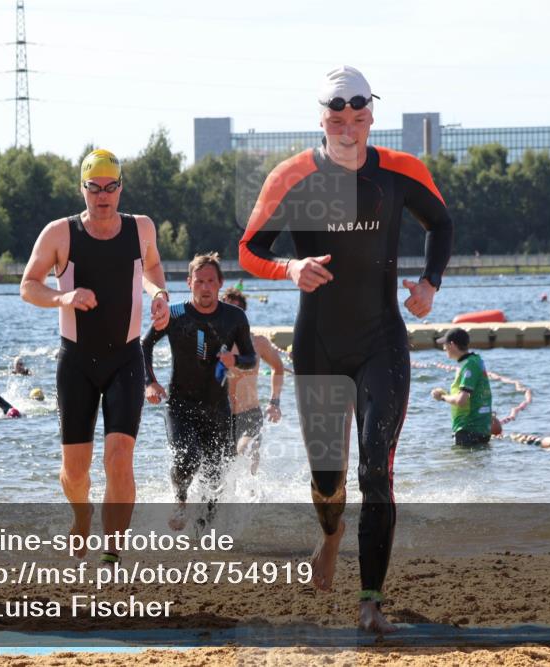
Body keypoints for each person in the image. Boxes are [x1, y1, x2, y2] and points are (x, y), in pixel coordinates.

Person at [238, 65, 453, 633]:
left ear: (371, 118)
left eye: (359, 118)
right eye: (339, 118)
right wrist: (290, 267)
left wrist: (430, 283)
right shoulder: (293, 177)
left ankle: (371, 600)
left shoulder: (400, 172)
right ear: (323, 120)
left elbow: (442, 223)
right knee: (329, 479)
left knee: (377, 469)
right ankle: (330, 535)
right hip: (320, 347)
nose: (350, 128)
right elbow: (249, 250)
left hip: (382, 341)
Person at [20, 148, 170, 561]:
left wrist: (159, 296)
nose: (102, 196)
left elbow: (154, 269)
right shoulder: (60, 233)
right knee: (76, 471)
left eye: (110, 187)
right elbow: (28, 285)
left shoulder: (141, 229)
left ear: (121, 188)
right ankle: (81, 515)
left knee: (119, 458)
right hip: (77, 363)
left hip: (125, 359)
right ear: (82, 188)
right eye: (94, 188)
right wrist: (63, 296)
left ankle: (112, 553)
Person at [142, 254, 256, 530]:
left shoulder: (235, 317)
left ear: (220, 283)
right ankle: (180, 501)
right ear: (189, 282)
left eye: (210, 281)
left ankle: (204, 534)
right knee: (187, 458)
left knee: (216, 475)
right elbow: (143, 347)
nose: (205, 287)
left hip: (217, 407)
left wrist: (235, 361)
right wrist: (150, 382)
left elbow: (251, 358)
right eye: (199, 281)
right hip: (180, 405)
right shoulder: (175, 313)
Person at [220, 287, 285, 474]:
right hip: (219, 415)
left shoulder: (258, 343)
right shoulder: (212, 343)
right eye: (227, 310)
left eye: (237, 311)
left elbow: (278, 368)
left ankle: (253, 497)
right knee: (219, 473)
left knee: (248, 450)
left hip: (249, 414)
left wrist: (275, 401)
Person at [430, 328, 494, 446]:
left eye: (445, 345)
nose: (444, 349)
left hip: (468, 430)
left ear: (452, 345)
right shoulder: (476, 360)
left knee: (462, 463)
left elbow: (461, 400)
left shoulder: (469, 365)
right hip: (481, 428)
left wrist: (442, 397)